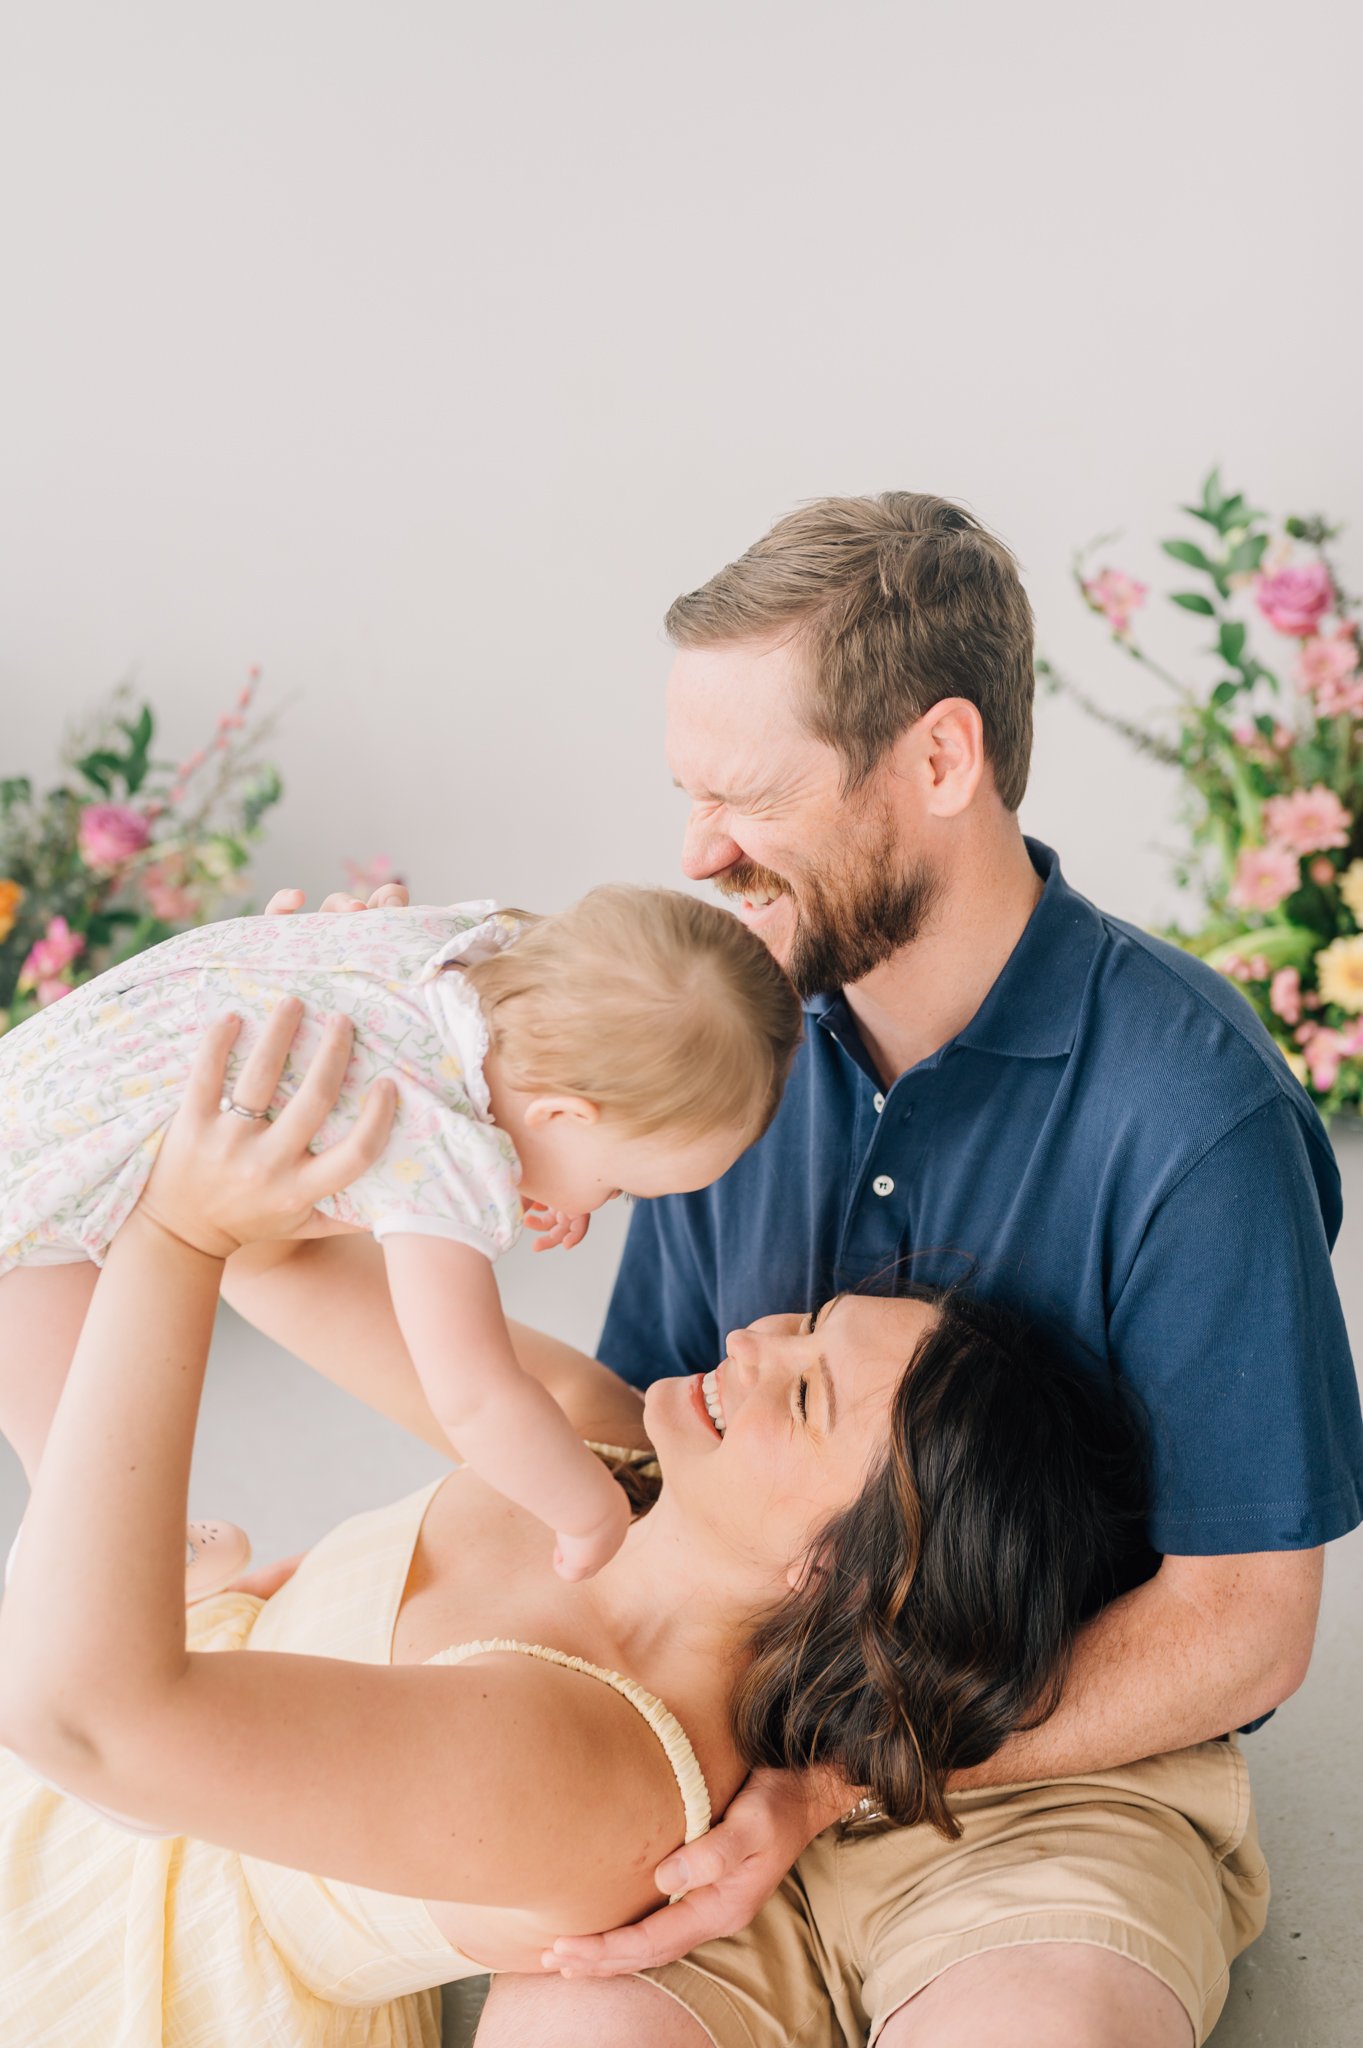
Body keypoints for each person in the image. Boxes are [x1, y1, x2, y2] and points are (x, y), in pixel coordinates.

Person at [440, 493, 1360, 2048]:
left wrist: (836, 1781)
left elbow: (1242, 1621)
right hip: (700, 1743)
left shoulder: (1189, 1109)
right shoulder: (720, 1042)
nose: (696, 851)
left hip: (1042, 1781)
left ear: (940, 760)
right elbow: (639, 1430)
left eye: (744, 796)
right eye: (684, 791)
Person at [0, 1006, 1154, 2048]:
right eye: (811, 1322)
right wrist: (354, 1034)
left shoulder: (595, 1766)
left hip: (98, 1954)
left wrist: (172, 1241)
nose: (754, 1338)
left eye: (803, 1395)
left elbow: (83, 1717)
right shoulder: (607, 1457)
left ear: (842, 1576)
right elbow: (282, 1257)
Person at [0, 882, 799, 1585]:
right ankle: (92, 1563)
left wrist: (552, 1171)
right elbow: (476, 1393)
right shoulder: (440, 1148)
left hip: (41, 1078)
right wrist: (586, 1511)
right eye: (617, 1184)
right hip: (42, 1196)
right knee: (79, 1453)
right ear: (560, 1115)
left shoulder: (463, 946)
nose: (602, 1199)